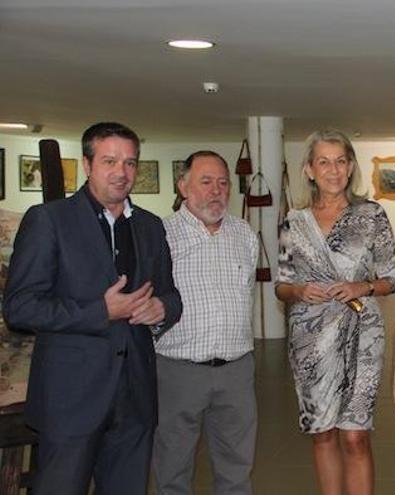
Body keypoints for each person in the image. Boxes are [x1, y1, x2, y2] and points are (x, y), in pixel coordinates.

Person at [2, 122, 182, 494]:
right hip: (71, 399)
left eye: (130, 163)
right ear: (87, 165)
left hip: (135, 397)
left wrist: (161, 309)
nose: (122, 172)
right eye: (110, 161)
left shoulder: (150, 226)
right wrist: (100, 311)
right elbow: (19, 308)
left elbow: (171, 295)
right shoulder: (49, 220)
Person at [275, 129, 395, 495]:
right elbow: (281, 286)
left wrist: (363, 286)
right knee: (323, 432)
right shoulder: (293, 222)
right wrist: (299, 290)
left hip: (363, 334)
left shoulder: (371, 215)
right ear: (310, 170)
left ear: (351, 168)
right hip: (311, 339)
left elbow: (391, 278)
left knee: (355, 436)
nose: (333, 170)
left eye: (340, 161)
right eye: (324, 162)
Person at [151, 151, 259, 494]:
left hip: (237, 372)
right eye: (206, 182)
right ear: (184, 186)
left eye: (223, 183)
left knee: (236, 468)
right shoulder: (160, 236)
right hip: (178, 371)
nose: (217, 190)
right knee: (172, 466)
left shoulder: (245, 235)